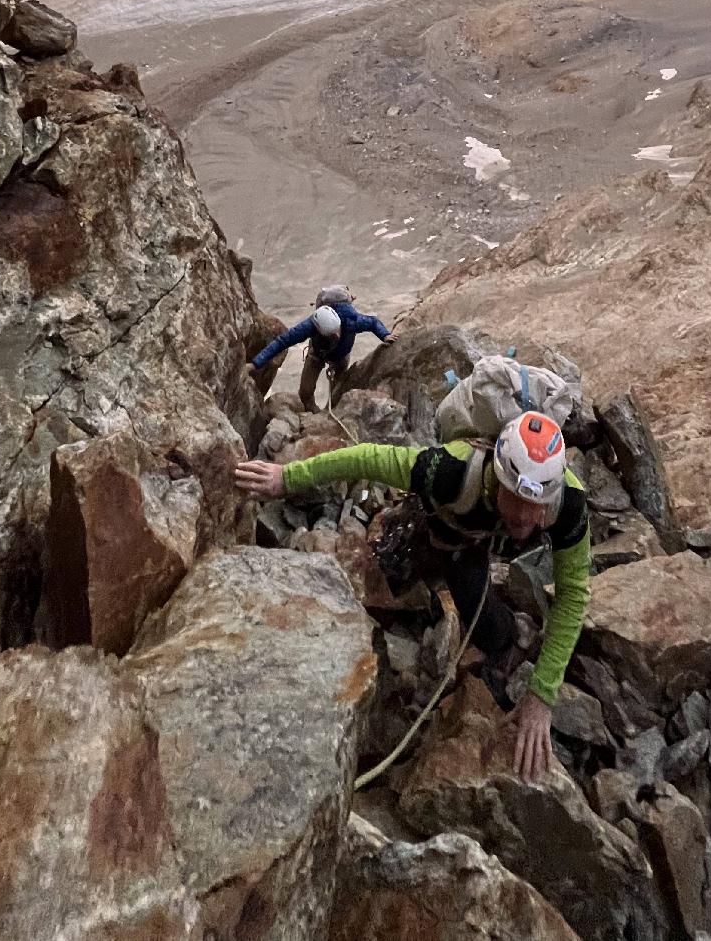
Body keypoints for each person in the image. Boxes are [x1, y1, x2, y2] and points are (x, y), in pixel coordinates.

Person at [235, 410, 590, 780]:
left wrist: (541, 694)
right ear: (496, 477)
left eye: (535, 506)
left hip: (475, 531)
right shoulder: (448, 470)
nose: (524, 515)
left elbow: (573, 595)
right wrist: (288, 478)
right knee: (410, 574)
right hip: (456, 533)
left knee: (485, 624)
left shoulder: (567, 506)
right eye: (515, 499)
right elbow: (368, 457)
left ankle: (502, 641)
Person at [249, 293, 392, 410]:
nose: (336, 336)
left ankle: (332, 410)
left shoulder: (351, 321)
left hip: (341, 356)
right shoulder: (309, 326)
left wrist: (385, 335)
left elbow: (373, 322)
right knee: (305, 392)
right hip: (317, 354)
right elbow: (282, 342)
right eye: (331, 334)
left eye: (337, 331)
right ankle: (313, 411)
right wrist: (255, 364)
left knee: (339, 391)